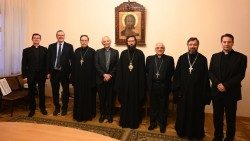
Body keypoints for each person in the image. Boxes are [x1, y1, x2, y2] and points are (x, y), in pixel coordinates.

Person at [209, 33, 247, 141]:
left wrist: (226, 85)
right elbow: (210, 72)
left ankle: (230, 137)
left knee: (231, 117)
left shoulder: (241, 57)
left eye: (229, 42)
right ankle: (218, 136)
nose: (226, 44)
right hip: (216, 92)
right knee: (217, 116)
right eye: (224, 42)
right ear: (221, 43)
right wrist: (218, 84)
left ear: (233, 43)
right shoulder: (215, 56)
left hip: (231, 92)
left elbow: (240, 75)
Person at [172, 37, 211, 139]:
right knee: (182, 113)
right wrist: (178, 91)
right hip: (183, 93)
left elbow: (205, 78)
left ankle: (196, 133)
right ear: (187, 45)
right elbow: (177, 76)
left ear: (198, 45)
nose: (193, 46)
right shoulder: (182, 58)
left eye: (195, 44)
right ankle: (182, 131)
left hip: (197, 94)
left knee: (196, 114)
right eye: (191, 44)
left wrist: (204, 95)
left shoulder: (203, 59)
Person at [115, 35, 146, 129]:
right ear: (127, 43)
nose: (131, 43)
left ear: (135, 42)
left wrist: (141, 86)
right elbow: (120, 70)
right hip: (125, 84)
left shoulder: (140, 53)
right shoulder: (123, 53)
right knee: (125, 103)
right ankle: (124, 122)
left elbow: (142, 72)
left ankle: (134, 122)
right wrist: (119, 84)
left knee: (135, 103)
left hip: (136, 84)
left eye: (132, 41)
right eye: (129, 41)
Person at [146, 43, 174, 133]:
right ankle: (153, 123)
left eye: (161, 48)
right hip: (153, 86)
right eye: (158, 48)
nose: (160, 49)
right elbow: (147, 71)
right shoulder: (149, 59)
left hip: (164, 86)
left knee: (163, 106)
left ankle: (162, 124)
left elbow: (172, 72)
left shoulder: (169, 59)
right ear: (155, 49)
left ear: (164, 49)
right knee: (153, 106)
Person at [47, 30, 74, 116]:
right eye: (59, 35)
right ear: (56, 36)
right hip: (54, 72)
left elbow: (72, 60)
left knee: (66, 91)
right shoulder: (51, 46)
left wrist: (70, 72)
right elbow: (48, 60)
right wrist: (48, 72)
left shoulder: (69, 46)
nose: (60, 36)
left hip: (65, 73)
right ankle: (57, 107)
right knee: (55, 91)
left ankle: (64, 108)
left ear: (64, 36)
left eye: (62, 35)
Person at [22, 33, 48, 117]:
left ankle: (42, 108)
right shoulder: (26, 50)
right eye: (34, 38)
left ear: (40, 39)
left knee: (42, 92)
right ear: (32, 39)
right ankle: (32, 109)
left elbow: (46, 63)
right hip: (31, 75)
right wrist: (24, 76)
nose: (36, 39)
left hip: (41, 75)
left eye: (38, 38)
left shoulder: (45, 49)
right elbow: (24, 64)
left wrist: (47, 73)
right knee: (31, 93)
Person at [95, 36, 119, 123]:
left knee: (110, 99)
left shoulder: (116, 52)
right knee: (102, 99)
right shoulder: (98, 52)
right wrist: (104, 75)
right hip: (101, 80)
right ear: (102, 42)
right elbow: (96, 65)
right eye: (104, 41)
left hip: (111, 80)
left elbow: (117, 65)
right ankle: (102, 114)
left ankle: (110, 115)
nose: (106, 42)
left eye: (108, 41)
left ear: (110, 42)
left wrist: (110, 75)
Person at [72, 35, 96, 122]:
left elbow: (94, 67)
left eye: (85, 40)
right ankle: (78, 115)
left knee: (88, 98)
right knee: (78, 97)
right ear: (80, 41)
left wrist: (93, 81)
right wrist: (73, 79)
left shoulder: (92, 51)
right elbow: (74, 66)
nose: (84, 42)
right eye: (82, 40)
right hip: (78, 79)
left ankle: (87, 116)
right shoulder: (77, 51)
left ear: (88, 41)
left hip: (88, 80)